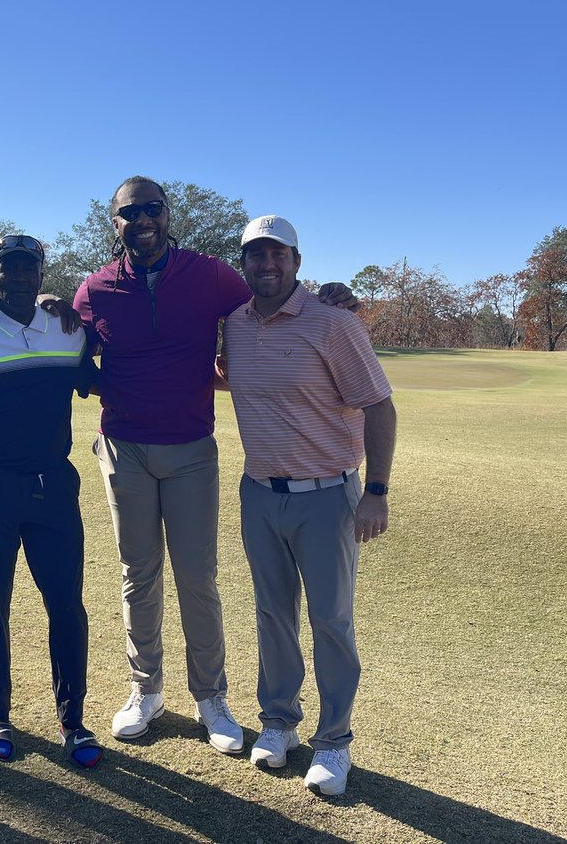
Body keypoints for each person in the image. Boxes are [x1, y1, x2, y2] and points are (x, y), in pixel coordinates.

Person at [72, 177, 355, 755]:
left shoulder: (210, 274)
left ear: (168, 215)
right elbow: (71, 348)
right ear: (115, 223)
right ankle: (145, 689)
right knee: (137, 572)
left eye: (154, 209)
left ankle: (210, 697)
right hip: (122, 449)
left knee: (197, 576)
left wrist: (329, 295)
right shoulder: (94, 289)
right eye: (132, 212)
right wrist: (49, 304)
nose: (144, 219)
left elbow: (272, 296)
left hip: (191, 449)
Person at [222, 215, 396, 797]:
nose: (266, 266)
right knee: (272, 615)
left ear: (297, 260)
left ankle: (334, 741)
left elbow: (378, 405)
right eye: (255, 256)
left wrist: (376, 492)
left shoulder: (333, 323)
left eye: (278, 256)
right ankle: (278, 724)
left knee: (331, 622)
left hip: (327, 494)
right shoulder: (235, 325)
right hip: (259, 492)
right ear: (243, 264)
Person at [0, 234, 103, 770]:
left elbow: (102, 373)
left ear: (40, 274)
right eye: (10, 268)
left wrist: (75, 313)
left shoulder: (67, 331)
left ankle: (73, 722)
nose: (20, 277)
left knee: (66, 606)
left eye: (30, 268)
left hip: (53, 487)